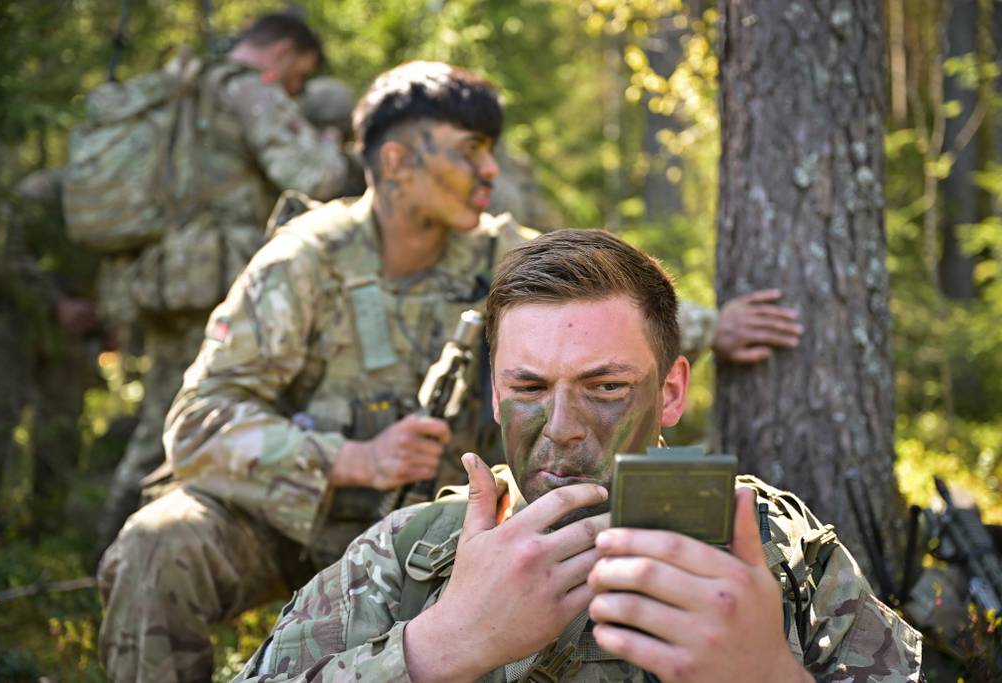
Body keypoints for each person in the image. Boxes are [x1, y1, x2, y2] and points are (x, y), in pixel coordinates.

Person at [96, 60, 802, 682]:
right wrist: (350, 457)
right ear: (398, 161)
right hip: (292, 520)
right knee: (156, 547)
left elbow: (601, 308)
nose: (490, 171)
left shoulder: (491, 251)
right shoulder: (302, 263)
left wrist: (717, 325)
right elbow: (198, 422)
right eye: (470, 152)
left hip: (434, 531)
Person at [234, 229, 922, 682]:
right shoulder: (403, 559)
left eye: (607, 387)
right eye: (528, 387)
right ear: (497, 397)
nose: (562, 427)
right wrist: (441, 644)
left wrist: (768, 673)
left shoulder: (778, 551)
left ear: (672, 390)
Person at [95, 12, 350, 553]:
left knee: (158, 419)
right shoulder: (248, 93)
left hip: (164, 274)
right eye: (298, 76)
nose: (296, 88)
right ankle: (140, 555)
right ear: (282, 52)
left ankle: (111, 549)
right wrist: (328, 142)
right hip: (218, 280)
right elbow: (315, 177)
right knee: (198, 420)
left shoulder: (181, 85)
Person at [0, 169, 105, 528]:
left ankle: (45, 523)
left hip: (70, 328)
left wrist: (106, 321)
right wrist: (55, 302)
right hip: (11, 318)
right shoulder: (38, 193)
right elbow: (10, 257)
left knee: (62, 422)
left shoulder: (116, 197)